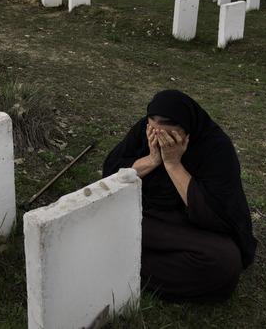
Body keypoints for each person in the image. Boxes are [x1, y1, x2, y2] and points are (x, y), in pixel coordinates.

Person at [103, 89, 257, 303]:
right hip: (142, 213)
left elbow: (215, 213)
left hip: (187, 223)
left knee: (225, 262)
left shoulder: (216, 147)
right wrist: (152, 160)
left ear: (187, 130)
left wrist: (173, 163)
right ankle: (122, 255)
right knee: (100, 218)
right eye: (152, 123)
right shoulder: (145, 128)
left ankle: (122, 259)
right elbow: (111, 173)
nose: (157, 133)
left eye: (168, 133)